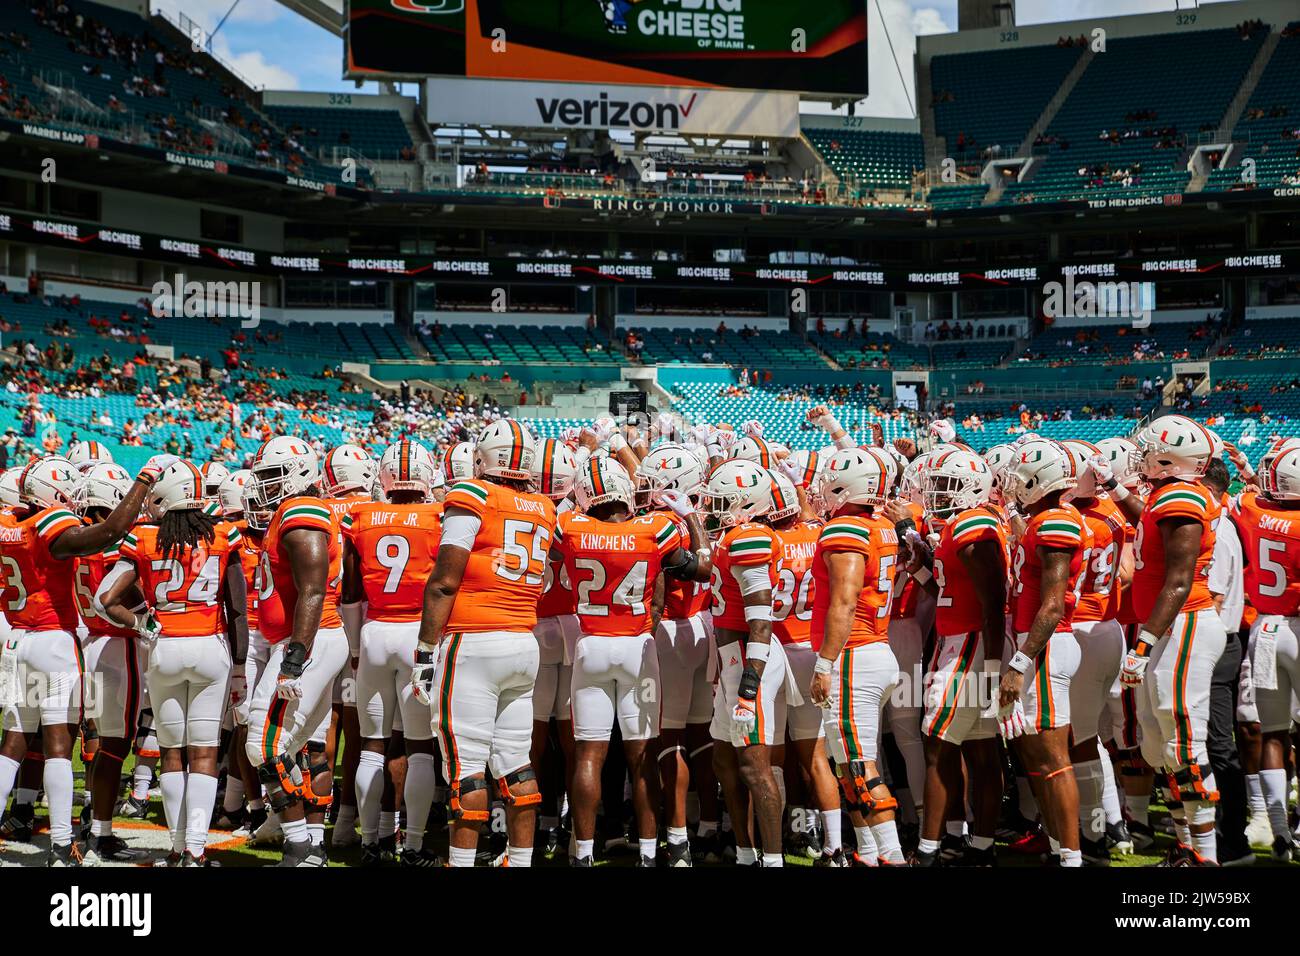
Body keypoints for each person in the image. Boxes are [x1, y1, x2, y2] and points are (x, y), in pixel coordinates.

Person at [410, 420, 557, 867]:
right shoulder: (544, 507)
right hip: (521, 641)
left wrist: (423, 652)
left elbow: (443, 582)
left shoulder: (473, 496)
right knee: (516, 762)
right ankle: (521, 859)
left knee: (465, 769)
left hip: (473, 642)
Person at [99, 460, 248, 867]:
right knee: (203, 753)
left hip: (165, 647)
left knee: (171, 754)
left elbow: (106, 600)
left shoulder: (145, 538)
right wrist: (239, 666)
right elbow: (237, 609)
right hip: (211, 649)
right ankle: (197, 852)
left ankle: (178, 847)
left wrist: (144, 625)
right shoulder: (223, 534)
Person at [242, 436, 350, 867]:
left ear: (298, 474)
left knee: (262, 743)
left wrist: (292, 661)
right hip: (313, 640)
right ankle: (312, 846)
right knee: (306, 745)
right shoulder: (289, 511)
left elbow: (312, 589)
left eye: (272, 477)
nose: (264, 486)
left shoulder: (302, 511)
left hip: (310, 641)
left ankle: (299, 843)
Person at [341, 440, 443, 866]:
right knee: (419, 746)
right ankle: (413, 845)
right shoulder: (439, 516)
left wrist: (353, 646)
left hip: (375, 630)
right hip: (418, 632)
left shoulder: (360, 516)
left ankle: (370, 843)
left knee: (371, 745)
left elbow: (349, 590)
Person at [808, 448, 905, 865]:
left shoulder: (846, 528)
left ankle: (894, 856)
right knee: (848, 766)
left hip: (853, 656)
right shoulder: (880, 525)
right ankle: (868, 854)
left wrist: (825, 662)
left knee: (861, 769)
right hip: (873, 649)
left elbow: (845, 602)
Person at [1000, 438, 1089, 868]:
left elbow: (1052, 605)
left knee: (1054, 759)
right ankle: (1058, 847)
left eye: (1023, 477)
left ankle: (1070, 856)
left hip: (1046, 647)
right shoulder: (1045, 518)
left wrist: (1020, 661)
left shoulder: (1056, 520)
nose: (1015, 484)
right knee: (1036, 756)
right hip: (1037, 644)